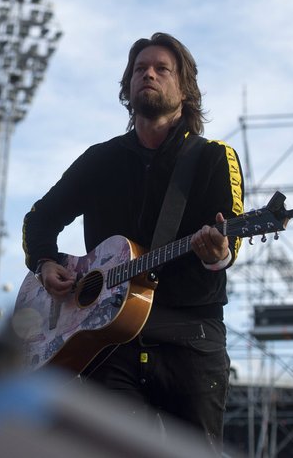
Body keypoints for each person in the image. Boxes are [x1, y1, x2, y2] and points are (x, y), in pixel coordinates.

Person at [21, 32, 243, 451]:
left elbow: (229, 236)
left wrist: (220, 253)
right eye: (140, 69)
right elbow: (40, 218)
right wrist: (46, 262)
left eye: (162, 69)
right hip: (107, 343)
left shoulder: (214, 157)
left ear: (185, 88)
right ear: (127, 86)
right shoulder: (99, 159)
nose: (149, 75)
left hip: (189, 342)